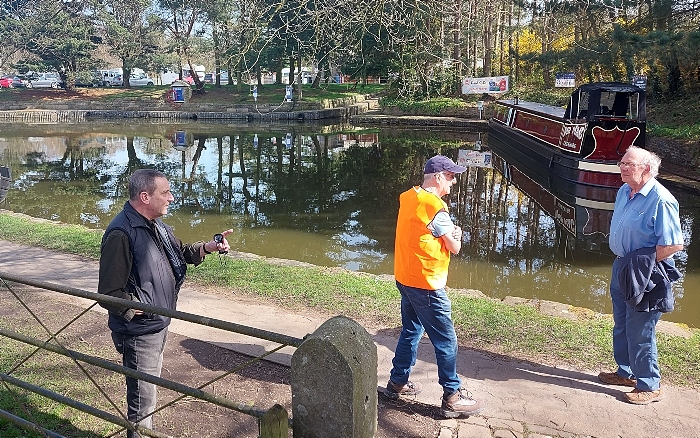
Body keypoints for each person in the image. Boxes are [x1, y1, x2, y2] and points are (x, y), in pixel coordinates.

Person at [98, 169, 232, 437]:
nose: (171, 198)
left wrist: (207, 248)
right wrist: (138, 308)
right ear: (145, 196)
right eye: (165, 192)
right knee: (142, 405)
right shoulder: (121, 233)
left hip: (158, 325)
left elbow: (179, 254)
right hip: (139, 333)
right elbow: (108, 292)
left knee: (148, 398)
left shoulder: (156, 225)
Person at [384, 155, 485, 418]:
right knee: (446, 340)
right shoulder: (435, 206)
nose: (453, 182)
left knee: (411, 330)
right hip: (427, 283)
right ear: (438, 177)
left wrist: (450, 233)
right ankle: (452, 395)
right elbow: (455, 246)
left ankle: (397, 383)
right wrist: (457, 234)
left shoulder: (409, 197)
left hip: (405, 278)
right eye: (450, 176)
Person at [598, 146, 684, 405]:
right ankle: (626, 372)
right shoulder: (625, 190)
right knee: (621, 323)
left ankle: (649, 384)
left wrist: (640, 262)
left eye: (629, 164)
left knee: (641, 329)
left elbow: (673, 245)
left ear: (646, 169)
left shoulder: (662, 199)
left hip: (646, 273)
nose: (623, 168)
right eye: (621, 163)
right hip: (621, 267)